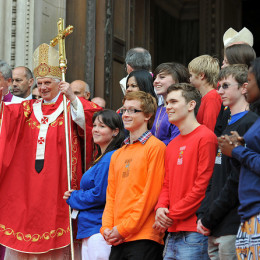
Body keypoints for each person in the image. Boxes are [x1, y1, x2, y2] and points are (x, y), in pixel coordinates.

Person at [0, 43, 101, 259]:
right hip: (28, 186)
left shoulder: (72, 106)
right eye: (40, 83)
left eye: (48, 82)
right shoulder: (28, 109)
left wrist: (73, 99)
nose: (44, 87)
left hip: (59, 184)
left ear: (59, 83)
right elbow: (5, 116)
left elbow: (96, 121)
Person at [197, 64, 258, 260]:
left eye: (225, 86)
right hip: (215, 224)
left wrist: (210, 217)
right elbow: (216, 175)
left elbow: (237, 177)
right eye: (218, 86)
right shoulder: (225, 124)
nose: (219, 91)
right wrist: (204, 213)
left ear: (243, 87)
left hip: (234, 221)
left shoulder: (250, 123)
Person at [154, 83, 218, 260]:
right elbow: (167, 183)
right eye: (166, 102)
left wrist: (170, 214)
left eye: (174, 101)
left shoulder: (206, 137)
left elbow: (203, 186)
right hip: (173, 230)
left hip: (194, 230)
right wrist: (160, 208)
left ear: (191, 105)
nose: (168, 107)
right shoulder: (172, 144)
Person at [101, 91, 166, 260]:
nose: (126, 115)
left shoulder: (156, 147)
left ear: (148, 115)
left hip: (144, 236)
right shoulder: (117, 154)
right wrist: (107, 227)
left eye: (132, 110)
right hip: (117, 237)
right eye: (124, 110)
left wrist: (123, 229)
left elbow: (150, 195)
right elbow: (111, 196)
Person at [64, 109, 125, 260]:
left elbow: (100, 194)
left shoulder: (110, 158)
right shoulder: (102, 157)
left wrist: (73, 197)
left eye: (102, 126)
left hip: (99, 227)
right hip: (91, 226)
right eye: (95, 125)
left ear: (115, 131)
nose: (96, 130)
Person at [218, 57, 260, 260]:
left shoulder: (251, 119)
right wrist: (242, 145)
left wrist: (237, 151)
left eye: (250, 80)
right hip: (249, 212)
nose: (247, 86)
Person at [151, 62, 190, 145]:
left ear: (176, 80)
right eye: (155, 78)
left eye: (161, 77)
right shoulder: (157, 109)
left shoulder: (182, 109)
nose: (155, 82)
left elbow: (176, 143)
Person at [189, 54, 222, 131]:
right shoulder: (208, 96)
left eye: (191, 75)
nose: (189, 79)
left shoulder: (212, 97)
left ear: (201, 75)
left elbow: (209, 129)